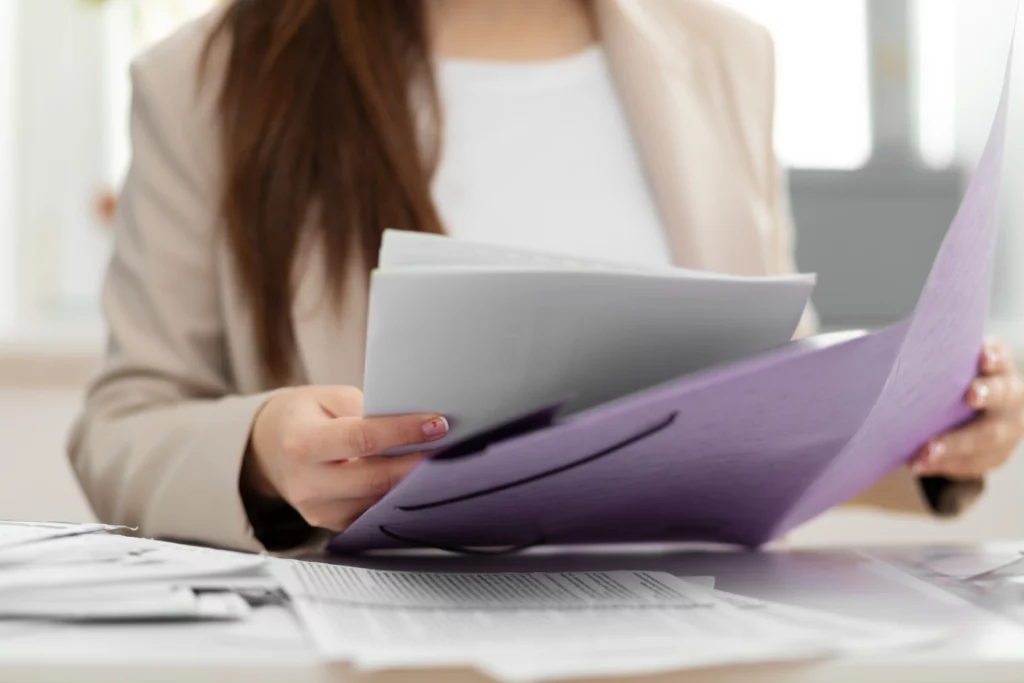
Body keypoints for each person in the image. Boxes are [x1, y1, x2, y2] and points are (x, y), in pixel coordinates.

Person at [68, 0, 1024, 553]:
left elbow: (773, 406)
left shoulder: (725, 55)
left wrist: (943, 427)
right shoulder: (207, 77)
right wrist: (262, 451)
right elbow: (123, 423)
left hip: (686, 644)